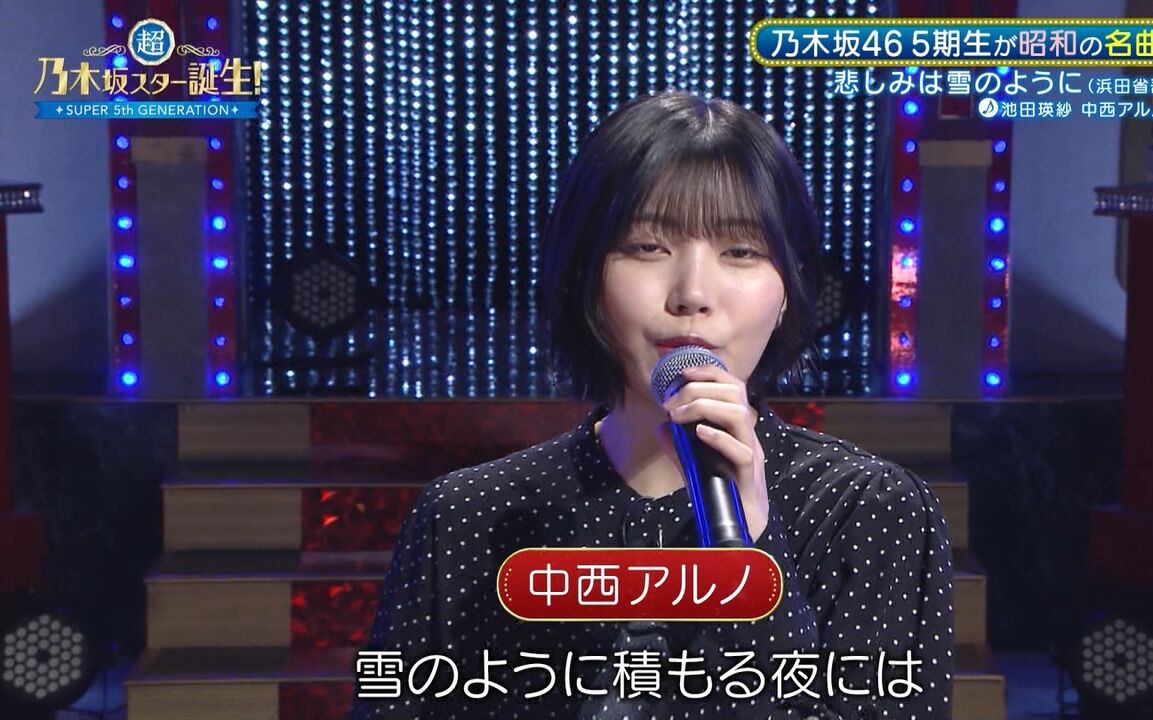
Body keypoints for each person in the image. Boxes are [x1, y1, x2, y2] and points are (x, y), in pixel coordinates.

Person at [349, 90, 954, 719]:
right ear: (584, 273)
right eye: (647, 247)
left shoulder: (872, 510)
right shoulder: (466, 517)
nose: (692, 293)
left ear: (787, 291)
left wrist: (750, 556)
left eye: (741, 252)